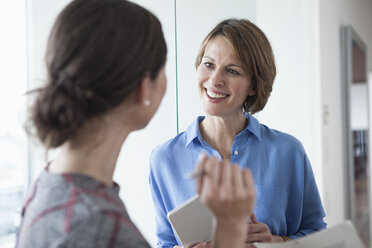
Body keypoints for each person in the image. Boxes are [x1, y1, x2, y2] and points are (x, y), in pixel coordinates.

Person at [16, 1, 256, 248]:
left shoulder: (47, 188)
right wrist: (229, 230)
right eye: (163, 68)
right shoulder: (103, 227)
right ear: (143, 88)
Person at [149, 18, 327, 248]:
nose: (215, 81)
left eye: (232, 71)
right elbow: (164, 243)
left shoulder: (288, 151)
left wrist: (275, 241)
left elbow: (317, 234)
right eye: (209, 65)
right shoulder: (164, 158)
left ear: (254, 85)